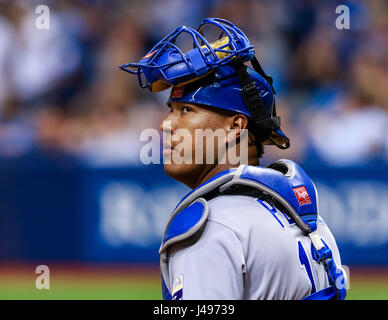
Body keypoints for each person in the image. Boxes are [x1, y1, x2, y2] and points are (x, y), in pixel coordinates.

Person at [120, 18, 347, 300]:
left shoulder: (212, 229)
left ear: (235, 126)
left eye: (186, 111)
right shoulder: (302, 214)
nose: (167, 125)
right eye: (170, 110)